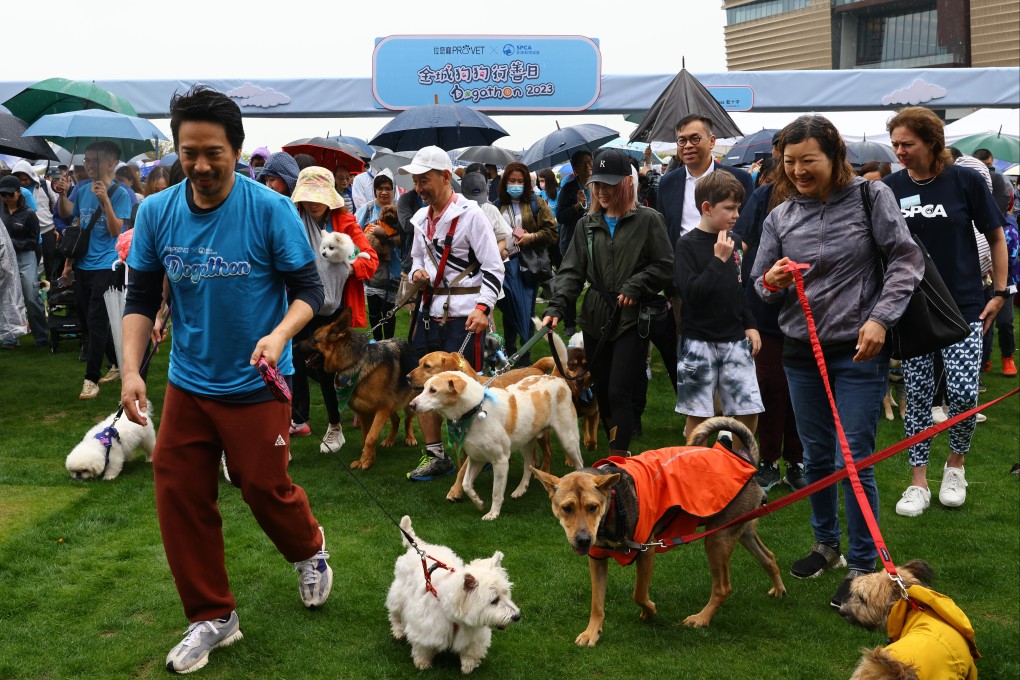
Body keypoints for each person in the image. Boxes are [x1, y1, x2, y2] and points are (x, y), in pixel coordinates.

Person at [120, 86, 332, 674]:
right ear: (177, 151)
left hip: (259, 379)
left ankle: (309, 550)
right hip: (189, 381)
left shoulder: (270, 209)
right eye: (190, 152)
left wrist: (281, 333)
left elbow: (310, 292)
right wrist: (133, 371)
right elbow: (140, 298)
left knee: (263, 485)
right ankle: (213, 615)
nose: (202, 165)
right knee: (179, 490)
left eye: (213, 151)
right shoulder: (156, 212)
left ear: (236, 150)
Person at [751, 115, 922, 608]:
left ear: (834, 157)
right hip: (802, 353)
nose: (799, 171)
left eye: (810, 161)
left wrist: (881, 319)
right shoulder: (779, 216)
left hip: (859, 349)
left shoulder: (872, 198)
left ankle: (865, 565)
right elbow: (759, 285)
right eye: (790, 162)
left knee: (857, 458)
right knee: (816, 456)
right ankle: (826, 544)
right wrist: (774, 281)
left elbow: (906, 260)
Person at [884, 106, 1008, 517]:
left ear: (932, 142)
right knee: (917, 395)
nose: (900, 151)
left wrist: (1001, 291)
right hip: (912, 308)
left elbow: (997, 236)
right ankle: (917, 481)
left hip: (965, 305)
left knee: (962, 393)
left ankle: (955, 467)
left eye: (908, 143)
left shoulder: (965, 180)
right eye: (896, 143)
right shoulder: (889, 187)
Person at [543, 148, 673, 456]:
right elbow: (571, 271)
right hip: (596, 317)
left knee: (619, 391)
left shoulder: (649, 220)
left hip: (631, 318)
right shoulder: (585, 226)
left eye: (609, 185)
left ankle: (618, 459)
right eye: (597, 184)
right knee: (600, 387)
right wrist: (556, 306)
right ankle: (617, 452)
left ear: (626, 184)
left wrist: (637, 284)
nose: (601, 191)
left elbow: (666, 265)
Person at [403, 146, 504, 481]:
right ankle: (435, 455)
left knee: (466, 389)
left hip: (464, 315)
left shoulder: (472, 215)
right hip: (428, 312)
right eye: (416, 181)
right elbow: (417, 258)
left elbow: (493, 266)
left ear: (446, 177)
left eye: (425, 180)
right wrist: (417, 273)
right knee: (424, 384)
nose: (419, 187)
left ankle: (478, 453)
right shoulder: (420, 219)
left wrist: (482, 307)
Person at [732, 152, 805, 492]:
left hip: (810, 312)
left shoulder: (829, 201)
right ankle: (769, 460)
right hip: (765, 306)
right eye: (791, 161)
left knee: (802, 390)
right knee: (771, 386)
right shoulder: (765, 195)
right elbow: (741, 241)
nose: (798, 170)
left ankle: (799, 460)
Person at [290, 166, 378, 442]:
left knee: (327, 365)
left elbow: (370, 258)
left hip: (334, 307)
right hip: (299, 301)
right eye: (308, 196)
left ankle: (334, 426)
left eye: (319, 196)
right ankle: (342, 394)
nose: (314, 202)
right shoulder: (292, 219)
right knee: (297, 359)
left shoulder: (344, 222)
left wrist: (347, 267)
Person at [673, 171, 763, 441]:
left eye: (738, 208)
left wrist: (750, 324)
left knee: (748, 408)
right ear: (707, 208)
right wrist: (717, 260)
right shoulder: (686, 245)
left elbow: (738, 287)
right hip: (698, 342)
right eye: (730, 208)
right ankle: (696, 471)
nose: (736, 214)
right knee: (699, 414)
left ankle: (735, 465)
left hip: (735, 339)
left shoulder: (734, 241)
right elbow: (692, 295)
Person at [53, 141, 132, 399]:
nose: (89, 164)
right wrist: (63, 194)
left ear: (112, 163)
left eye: (95, 160)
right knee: (88, 321)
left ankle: (91, 379)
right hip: (83, 263)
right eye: (87, 160)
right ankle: (117, 362)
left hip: (107, 264)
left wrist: (106, 200)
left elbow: (114, 231)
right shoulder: (82, 188)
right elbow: (67, 214)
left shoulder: (121, 193)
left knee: (97, 320)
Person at [656, 114, 755, 250]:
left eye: (695, 138)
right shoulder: (667, 182)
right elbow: (664, 231)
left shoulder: (739, 179)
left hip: (726, 259)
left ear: (712, 141)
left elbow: (748, 227)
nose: (688, 145)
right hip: (682, 264)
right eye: (682, 140)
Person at [494, 161, 557, 364]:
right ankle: (511, 349)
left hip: (529, 265)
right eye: (512, 180)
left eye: (520, 181)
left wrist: (532, 237)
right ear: (505, 183)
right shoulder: (496, 205)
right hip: (505, 264)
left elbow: (552, 232)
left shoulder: (536, 202)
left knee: (527, 309)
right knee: (509, 307)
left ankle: (525, 353)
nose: (516, 184)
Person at [0, 174, 47, 347]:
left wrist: (13, 243)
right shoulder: (1, 211)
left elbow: (34, 241)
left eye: (9, 194)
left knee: (31, 296)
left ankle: (41, 335)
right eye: (3, 194)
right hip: (3, 258)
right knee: (5, 297)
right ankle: (9, 337)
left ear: (19, 193)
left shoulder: (29, 214)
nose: (6, 198)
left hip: (25, 256)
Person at [356, 171, 402, 340]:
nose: (384, 192)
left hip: (394, 269)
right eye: (380, 188)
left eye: (388, 188)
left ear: (393, 190)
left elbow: (408, 238)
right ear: (374, 190)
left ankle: (389, 343)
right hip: (373, 270)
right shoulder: (367, 210)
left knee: (390, 311)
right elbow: (355, 235)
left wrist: (387, 236)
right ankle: (376, 341)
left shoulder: (400, 210)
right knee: (374, 310)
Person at [554, 149, 594, 336]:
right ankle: (569, 323)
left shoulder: (596, 186)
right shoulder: (569, 188)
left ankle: (593, 317)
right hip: (570, 243)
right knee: (570, 284)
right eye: (583, 163)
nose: (588, 166)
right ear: (576, 169)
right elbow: (561, 217)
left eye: (590, 161)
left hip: (593, 242)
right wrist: (576, 206)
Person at [12, 160, 59, 282]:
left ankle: (52, 294)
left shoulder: (45, 185)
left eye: (25, 179)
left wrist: (57, 227)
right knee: (32, 264)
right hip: (28, 234)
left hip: (47, 229)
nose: (22, 182)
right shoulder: (14, 192)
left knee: (50, 263)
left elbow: (55, 203)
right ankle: (35, 290)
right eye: (19, 179)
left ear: (31, 175)